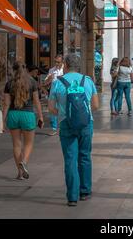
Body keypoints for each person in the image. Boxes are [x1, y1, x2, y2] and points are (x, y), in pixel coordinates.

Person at [48, 54, 99, 206]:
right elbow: (95, 106)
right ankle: (85, 191)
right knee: (84, 156)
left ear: (66, 65)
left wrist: (64, 113)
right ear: (79, 65)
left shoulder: (58, 83)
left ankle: (72, 197)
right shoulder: (87, 81)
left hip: (66, 124)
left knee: (70, 159)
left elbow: (51, 108)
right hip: (86, 124)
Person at [2, 61, 44, 180]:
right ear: (25, 70)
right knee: (29, 143)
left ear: (14, 70)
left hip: (13, 114)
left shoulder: (9, 83)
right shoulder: (32, 82)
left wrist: (3, 121)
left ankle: (20, 173)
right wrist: (40, 116)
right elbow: (36, 101)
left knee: (16, 144)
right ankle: (24, 162)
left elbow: (6, 104)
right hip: (28, 115)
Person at [43, 55, 64, 135]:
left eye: (58, 62)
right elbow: (45, 83)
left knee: (63, 110)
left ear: (62, 62)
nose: (56, 63)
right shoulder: (52, 70)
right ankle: (54, 128)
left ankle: (63, 127)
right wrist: (49, 79)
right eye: (55, 62)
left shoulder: (65, 69)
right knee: (52, 109)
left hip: (62, 92)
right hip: (53, 91)